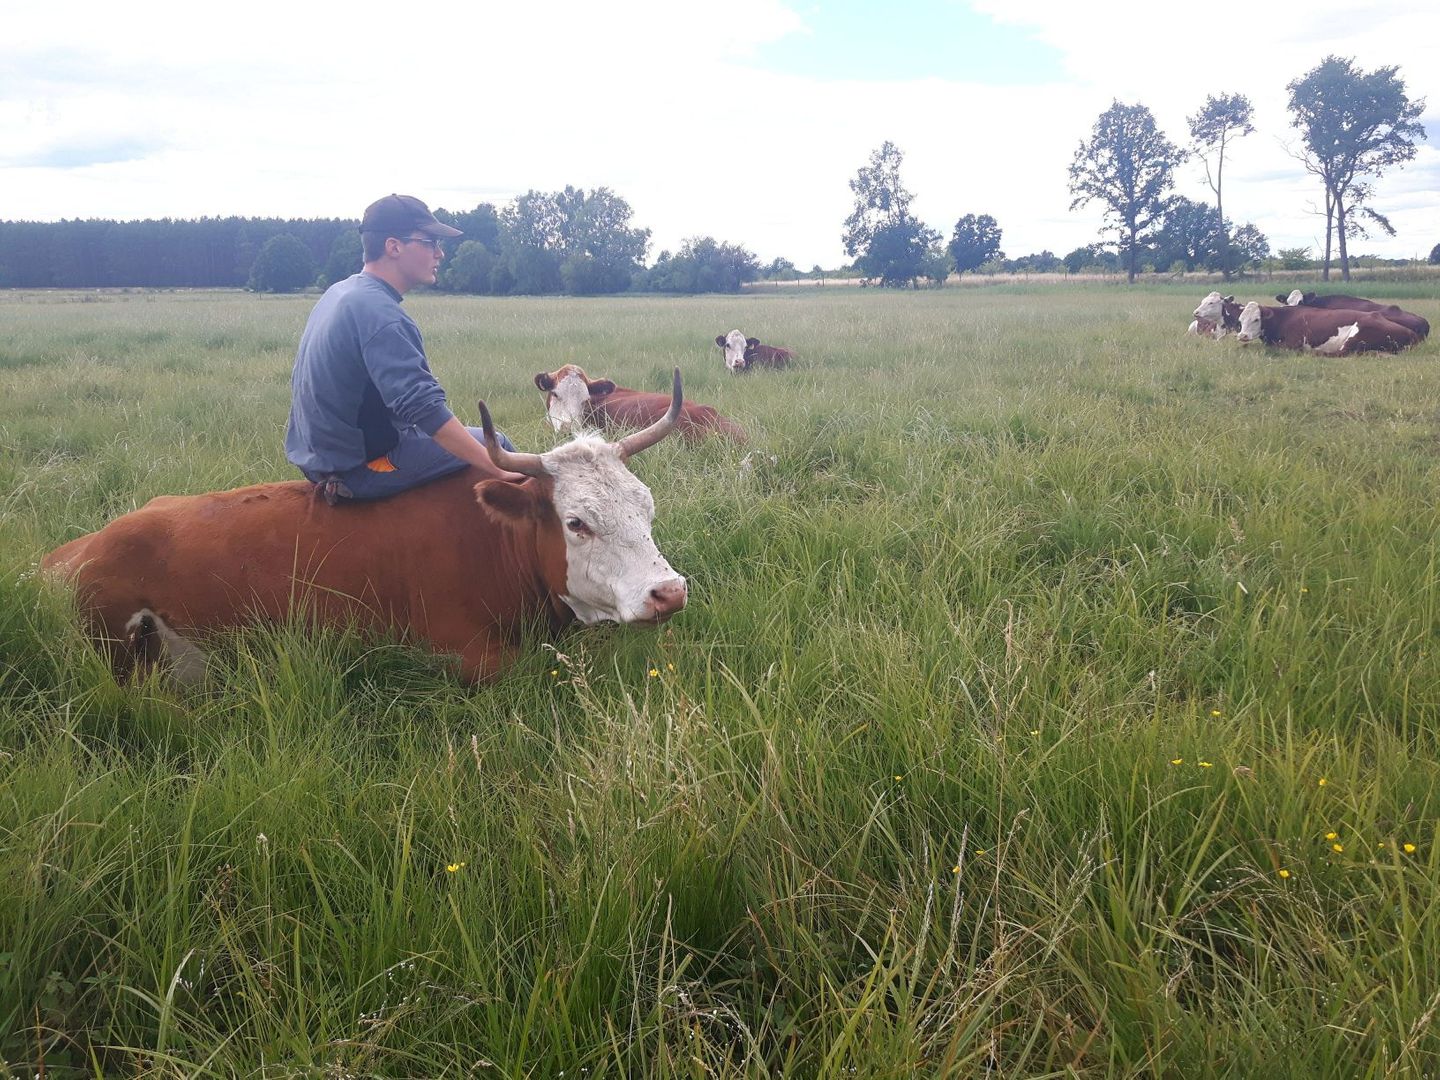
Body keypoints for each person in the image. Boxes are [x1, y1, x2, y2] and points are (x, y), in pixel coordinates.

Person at [285, 193, 523, 503]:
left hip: (321, 456)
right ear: (393, 246)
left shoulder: (342, 292)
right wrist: (499, 467)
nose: (440, 254)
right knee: (498, 446)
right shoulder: (380, 313)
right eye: (430, 243)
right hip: (358, 466)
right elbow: (424, 408)